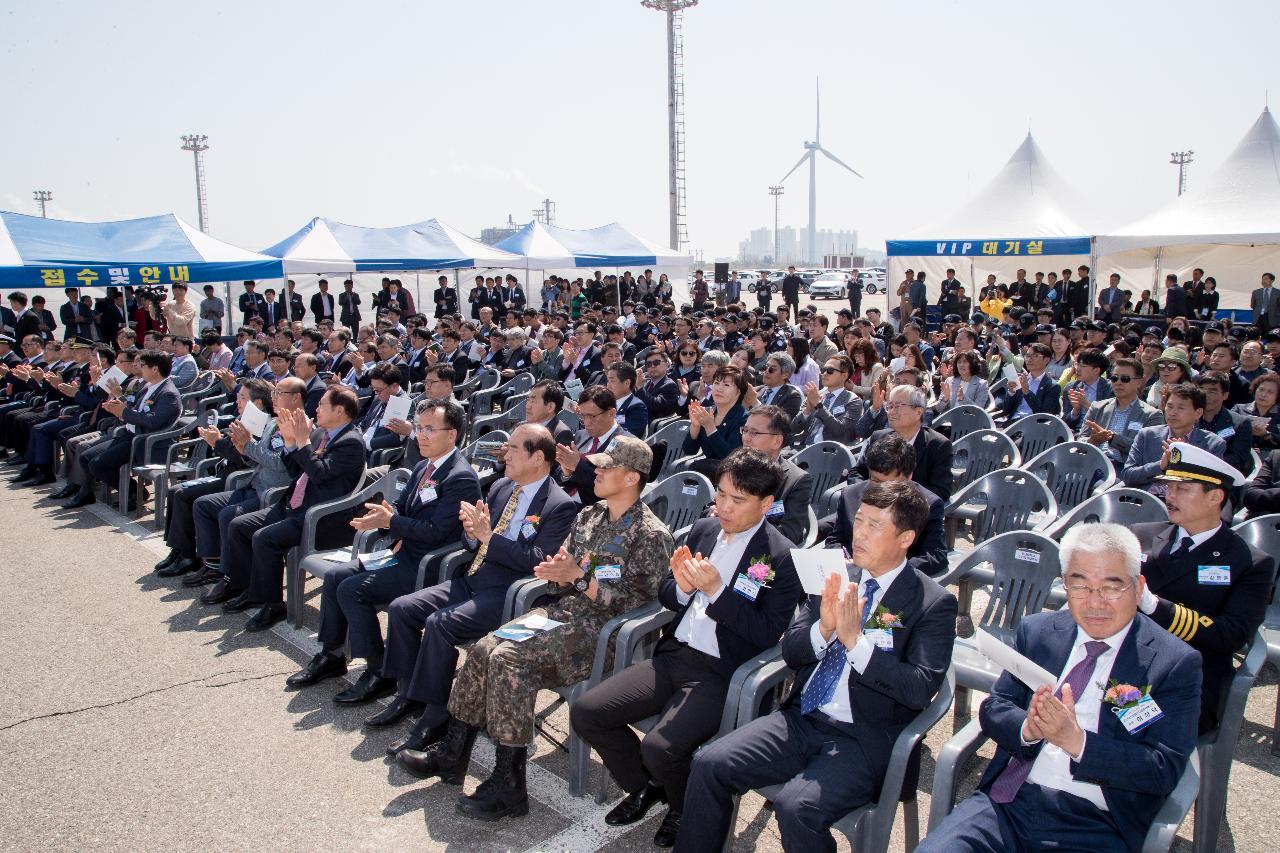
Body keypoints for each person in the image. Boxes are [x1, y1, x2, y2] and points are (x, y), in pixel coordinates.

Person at [400, 437, 674, 820]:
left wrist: (579, 579)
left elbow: (643, 607)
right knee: (484, 649)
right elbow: (563, 575)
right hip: (563, 615)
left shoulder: (650, 533)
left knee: (510, 660)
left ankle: (509, 786)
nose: (595, 471)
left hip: (606, 634)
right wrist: (558, 576)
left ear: (631, 478)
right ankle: (451, 753)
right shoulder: (589, 516)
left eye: (606, 468)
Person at [681, 480, 955, 852]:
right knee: (709, 763)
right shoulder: (834, 576)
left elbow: (919, 688)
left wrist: (856, 643)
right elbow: (792, 652)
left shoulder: (931, 603)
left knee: (797, 808)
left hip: (864, 737)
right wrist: (824, 629)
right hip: (803, 718)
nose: (858, 533)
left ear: (906, 538)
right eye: (858, 520)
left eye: (874, 526)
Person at [920, 523, 1201, 853]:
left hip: (1097, 822)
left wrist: (1077, 741)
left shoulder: (1172, 662)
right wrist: (1029, 727)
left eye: (1111, 587)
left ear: (1138, 588)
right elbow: (996, 707)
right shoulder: (1039, 632)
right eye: (1080, 586)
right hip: (1009, 803)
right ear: (1065, 585)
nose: (1095, 603)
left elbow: (1162, 768)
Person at [571, 449, 801, 848]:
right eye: (722, 495)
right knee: (589, 712)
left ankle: (683, 806)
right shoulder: (704, 530)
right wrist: (680, 585)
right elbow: (668, 594)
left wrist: (716, 591)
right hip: (675, 653)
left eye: (737, 500)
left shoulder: (780, 556)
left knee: (661, 748)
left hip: (721, 672)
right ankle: (648, 787)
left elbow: (766, 634)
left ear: (766, 504)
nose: (724, 507)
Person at [370, 424, 577, 742]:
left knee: (439, 625)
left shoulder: (559, 505)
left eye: (514, 449)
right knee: (402, 609)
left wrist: (486, 537)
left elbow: (538, 561)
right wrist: (471, 535)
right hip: (475, 578)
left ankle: (437, 714)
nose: (504, 454)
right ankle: (409, 692)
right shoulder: (501, 488)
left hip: (511, 593)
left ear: (538, 457)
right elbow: (476, 543)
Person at [286, 399, 482, 696]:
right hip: (398, 553)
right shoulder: (423, 467)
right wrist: (382, 517)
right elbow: (400, 509)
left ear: (452, 434)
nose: (422, 435)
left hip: (424, 564)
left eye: (430, 429)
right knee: (339, 575)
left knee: (353, 590)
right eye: (419, 428)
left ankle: (380, 669)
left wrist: (392, 522)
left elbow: (438, 532)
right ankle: (333, 654)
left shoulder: (459, 476)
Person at [1131, 444, 1272, 732]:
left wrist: (1153, 605)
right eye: (1169, 486)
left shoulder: (1249, 561)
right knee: (1068, 700)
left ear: (1216, 497)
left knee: (1129, 722)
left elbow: (1229, 635)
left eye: (1183, 489)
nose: (1169, 496)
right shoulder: (1140, 536)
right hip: (1126, 666)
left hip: (1187, 681)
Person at [203, 387, 367, 631]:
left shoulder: (351, 442)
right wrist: (291, 445)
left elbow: (320, 475)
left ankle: (273, 604)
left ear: (340, 410)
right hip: (295, 504)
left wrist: (301, 442)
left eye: (322, 405)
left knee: (264, 538)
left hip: (320, 516)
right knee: (239, 526)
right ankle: (243, 585)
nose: (316, 409)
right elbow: (296, 471)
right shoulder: (323, 433)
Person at [62, 349, 181, 509]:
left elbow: (152, 421)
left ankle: (133, 492)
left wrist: (123, 412)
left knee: (97, 464)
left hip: (142, 440)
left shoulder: (168, 393)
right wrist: (119, 403)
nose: (139, 367)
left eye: (143, 365)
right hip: (128, 434)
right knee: (85, 457)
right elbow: (134, 408)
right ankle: (87, 493)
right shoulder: (148, 386)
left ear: (154, 369)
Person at [827, 434, 947, 577]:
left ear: (908, 478)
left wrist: (889, 570)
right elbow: (835, 539)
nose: (879, 488)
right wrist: (842, 559)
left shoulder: (929, 504)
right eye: (874, 480)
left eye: (887, 483)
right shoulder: (850, 495)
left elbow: (935, 556)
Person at [855, 384, 954, 502]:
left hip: (908, 510)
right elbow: (857, 473)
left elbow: (942, 490)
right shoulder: (879, 437)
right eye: (889, 406)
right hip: (872, 502)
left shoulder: (938, 445)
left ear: (918, 412)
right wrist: (865, 491)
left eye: (897, 406)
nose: (891, 412)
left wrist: (896, 493)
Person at [1121, 384, 1226, 493]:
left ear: (1198, 413)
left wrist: (1187, 459)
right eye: (1170, 406)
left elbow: (1213, 486)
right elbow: (1128, 476)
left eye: (1181, 408)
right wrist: (1160, 466)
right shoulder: (1147, 435)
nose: (1173, 413)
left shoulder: (1213, 444)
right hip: (1148, 501)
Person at [738, 405, 813, 544]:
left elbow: (790, 534)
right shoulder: (735, 465)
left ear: (777, 441)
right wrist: (714, 512)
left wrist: (743, 525)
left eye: (754, 433)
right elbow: (709, 508)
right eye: (745, 430)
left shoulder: (796, 480)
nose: (746, 438)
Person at [1077, 358, 1164, 468]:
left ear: (1139, 382)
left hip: (1123, 469)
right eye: (1114, 378)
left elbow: (1147, 451)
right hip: (1091, 462)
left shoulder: (1152, 415)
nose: (1118, 383)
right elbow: (1081, 439)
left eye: (1125, 379)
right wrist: (1092, 441)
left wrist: (1113, 438)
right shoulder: (1097, 407)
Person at [556, 386, 629, 505]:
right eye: (583, 416)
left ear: (611, 413)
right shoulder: (580, 435)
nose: (586, 423)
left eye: (592, 416)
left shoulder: (627, 444)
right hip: (563, 501)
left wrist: (577, 465)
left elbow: (612, 486)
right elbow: (560, 474)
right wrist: (566, 473)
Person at [680, 364, 749, 478]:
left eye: (726, 385)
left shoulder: (743, 419)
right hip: (707, 472)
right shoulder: (708, 411)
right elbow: (689, 450)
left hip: (731, 476)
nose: (719, 388)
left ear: (738, 392)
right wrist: (695, 426)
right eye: (716, 383)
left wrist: (710, 427)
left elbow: (729, 457)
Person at [793, 354, 862, 445]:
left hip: (829, 452)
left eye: (830, 370)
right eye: (824, 370)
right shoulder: (816, 394)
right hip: (805, 446)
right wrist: (807, 411)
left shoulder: (853, 401)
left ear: (844, 375)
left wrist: (818, 405)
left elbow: (840, 431)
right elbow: (794, 428)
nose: (824, 374)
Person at [1194, 372, 1254, 475]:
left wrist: (1205, 463)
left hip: (1222, 477)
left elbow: (1238, 458)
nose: (1206, 395)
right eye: (1202, 389)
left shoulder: (1240, 423)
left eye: (1212, 391)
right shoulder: (1190, 418)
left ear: (1225, 395)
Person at [998, 342, 1062, 421]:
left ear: (1046, 360)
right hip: (1013, 422)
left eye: (1034, 356)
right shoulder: (1020, 379)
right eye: (1027, 356)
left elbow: (1044, 416)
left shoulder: (1052, 386)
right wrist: (1011, 392)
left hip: (1032, 426)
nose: (1029, 359)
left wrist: (1027, 393)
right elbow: (1006, 410)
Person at [754, 352, 802, 419]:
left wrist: (754, 403)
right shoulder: (758, 389)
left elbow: (777, 424)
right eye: (766, 367)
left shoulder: (792, 397)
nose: (767, 371)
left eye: (772, 369)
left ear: (785, 375)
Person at [608, 362, 649, 438]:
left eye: (612, 381)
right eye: (608, 381)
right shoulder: (605, 402)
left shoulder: (637, 407)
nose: (608, 385)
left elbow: (628, 437)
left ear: (627, 383)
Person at [636, 350, 680, 420]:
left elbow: (656, 406)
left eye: (656, 362)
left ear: (666, 365)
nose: (652, 366)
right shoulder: (646, 382)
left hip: (653, 426)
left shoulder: (670, 385)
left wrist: (640, 388)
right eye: (649, 364)